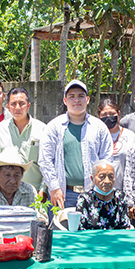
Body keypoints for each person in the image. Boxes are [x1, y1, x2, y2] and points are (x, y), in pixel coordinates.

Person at [39, 79, 113, 209]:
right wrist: (54, 187)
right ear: (65, 100)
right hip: (62, 194)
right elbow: (45, 160)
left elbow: (107, 160)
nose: (76, 100)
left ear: (88, 99)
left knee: (92, 230)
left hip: (93, 194)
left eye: (80, 96)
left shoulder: (99, 127)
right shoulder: (54, 127)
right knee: (61, 229)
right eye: (71, 97)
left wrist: (102, 189)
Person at [0, 87, 48, 198]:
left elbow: (48, 163)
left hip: (34, 194)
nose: (17, 108)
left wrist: (43, 189)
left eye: (21, 103)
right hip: (5, 195)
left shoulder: (42, 130)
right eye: (13, 104)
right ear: (8, 107)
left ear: (28, 106)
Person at [76, 160, 130, 230]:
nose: (107, 181)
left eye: (111, 176)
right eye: (102, 177)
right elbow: (80, 228)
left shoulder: (120, 197)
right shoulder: (84, 199)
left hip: (116, 239)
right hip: (92, 239)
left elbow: (126, 226)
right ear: (92, 178)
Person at [97, 98, 135, 191]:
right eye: (104, 114)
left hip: (123, 191)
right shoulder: (95, 136)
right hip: (99, 191)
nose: (108, 117)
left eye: (112, 114)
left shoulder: (130, 136)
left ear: (118, 114)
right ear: (99, 116)